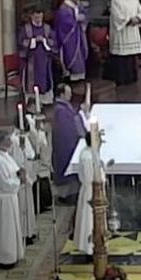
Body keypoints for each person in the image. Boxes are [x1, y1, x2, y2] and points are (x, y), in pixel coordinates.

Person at [51, 84, 91, 245]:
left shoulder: (63, 107)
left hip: (67, 142)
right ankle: (66, 195)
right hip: (65, 144)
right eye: (68, 93)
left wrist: (80, 112)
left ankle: (69, 193)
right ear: (61, 94)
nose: (70, 95)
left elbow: (74, 118)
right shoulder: (60, 111)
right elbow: (69, 127)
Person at [0, 128, 25, 269]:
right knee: (4, 231)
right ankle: (3, 258)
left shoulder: (3, 154)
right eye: (7, 140)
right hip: (3, 200)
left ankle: (11, 255)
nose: (10, 143)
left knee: (10, 230)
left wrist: (19, 172)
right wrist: (20, 181)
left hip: (9, 199)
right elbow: (4, 183)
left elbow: (13, 168)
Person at [108, 0, 141, 87]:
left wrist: (138, 19)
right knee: (121, 57)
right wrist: (129, 20)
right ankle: (121, 79)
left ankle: (132, 78)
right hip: (122, 33)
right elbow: (117, 16)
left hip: (132, 33)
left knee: (131, 57)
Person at [18, 8, 56, 98]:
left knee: (44, 78)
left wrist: (44, 40)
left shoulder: (47, 28)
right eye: (36, 17)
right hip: (31, 58)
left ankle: (44, 96)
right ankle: (32, 98)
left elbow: (53, 41)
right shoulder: (26, 28)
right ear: (32, 17)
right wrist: (34, 40)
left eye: (40, 17)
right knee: (32, 79)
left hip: (44, 59)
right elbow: (21, 41)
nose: (38, 19)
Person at [56, 0, 88, 82]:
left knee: (81, 53)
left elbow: (85, 15)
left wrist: (83, 18)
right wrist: (75, 18)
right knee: (72, 54)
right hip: (70, 36)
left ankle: (80, 75)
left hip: (79, 34)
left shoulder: (79, 5)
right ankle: (71, 74)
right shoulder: (64, 7)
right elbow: (64, 22)